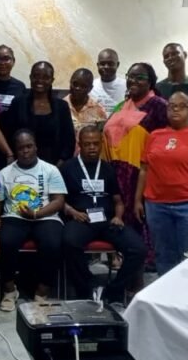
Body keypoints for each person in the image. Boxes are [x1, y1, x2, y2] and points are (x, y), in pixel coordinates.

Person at [135, 91, 188, 274]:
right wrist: (137, 200)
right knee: (163, 254)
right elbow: (144, 169)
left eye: (181, 105)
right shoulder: (155, 136)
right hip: (157, 205)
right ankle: (166, 297)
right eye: (171, 105)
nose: (175, 109)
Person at [60, 126, 146, 303]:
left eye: (95, 144)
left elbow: (118, 201)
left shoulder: (107, 168)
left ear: (101, 144)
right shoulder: (68, 167)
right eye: (87, 144)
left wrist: (118, 216)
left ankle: (113, 291)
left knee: (138, 248)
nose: (92, 148)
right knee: (69, 242)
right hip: (81, 219)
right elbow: (59, 200)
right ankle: (86, 287)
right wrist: (72, 211)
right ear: (80, 145)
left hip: (107, 220)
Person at [102, 62, 169, 269]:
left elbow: (165, 141)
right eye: (130, 76)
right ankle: (119, 258)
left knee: (139, 220)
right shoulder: (122, 105)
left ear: (150, 82)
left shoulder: (159, 105)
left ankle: (141, 266)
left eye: (140, 77)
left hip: (140, 174)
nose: (133, 81)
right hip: (115, 172)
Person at [0, 129, 67, 311]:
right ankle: (10, 290)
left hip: (45, 215)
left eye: (29, 146)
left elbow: (59, 201)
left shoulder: (50, 170)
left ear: (36, 147)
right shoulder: (4, 173)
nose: (25, 151)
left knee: (52, 243)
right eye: (21, 148)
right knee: (6, 241)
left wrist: (37, 214)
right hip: (15, 215)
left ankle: (42, 292)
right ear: (15, 150)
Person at [3, 62, 75, 166]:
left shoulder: (61, 106)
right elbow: (8, 134)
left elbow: (69, 140)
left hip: (54, 165)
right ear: (30, 77)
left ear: (52, 80)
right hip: (22, 164)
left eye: (46, 77)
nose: (40, 80)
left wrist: (59, 165)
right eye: (36, 76)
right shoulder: (18, 103)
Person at [64, 68, 108, 147]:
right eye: (75, 84)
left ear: (90, 88)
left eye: (83, 86)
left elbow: (100, 138)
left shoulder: (98, 109)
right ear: (70, 83)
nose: (78, 88)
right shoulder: (61, 107)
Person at [92, 48, 127, 114]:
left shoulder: (126, 86)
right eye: (102, 64)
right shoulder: (90, 86)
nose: (106, 67)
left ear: (117, 65)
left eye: (110, 64)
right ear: (98, 65)